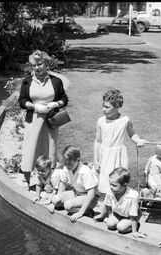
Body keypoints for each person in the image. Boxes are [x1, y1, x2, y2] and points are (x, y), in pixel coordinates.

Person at [18, 50, 69, 186]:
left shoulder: (56, 81)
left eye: (39, 64)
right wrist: (35, 107)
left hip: (50, 120)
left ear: (46, 64)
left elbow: (64, 98)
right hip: (33, 119)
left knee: (50, 147)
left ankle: (48, 179)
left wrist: (56, 103)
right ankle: (27, 177)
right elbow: (22, 101)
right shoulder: (27, 82)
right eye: (34, 65)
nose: (37, 68)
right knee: (31, 146)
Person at [93, 88, 147, 195]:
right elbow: (98, 141)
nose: (104, 109)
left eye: (107, 107)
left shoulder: (125, 120)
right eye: (103, 106)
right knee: (105, 180)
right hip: (104, 154)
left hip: (118, 156)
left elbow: (132, 133)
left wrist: (138, 140)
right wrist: (96, 160)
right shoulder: (101, 121)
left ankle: (119, 203)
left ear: (117, 107)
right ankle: (108, 204)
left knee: (118, 180)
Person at [51, 145, 99, 222]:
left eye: (70, 163)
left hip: (89, 197)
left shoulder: (85, 171)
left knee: (67, 206)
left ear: (78, 160)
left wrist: (80, 212)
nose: (67, 166)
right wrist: (56, 204)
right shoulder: (67, 168)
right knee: (55, 199)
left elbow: (91, 194)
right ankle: (74, 207)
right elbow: (63, 184)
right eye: (65, 163)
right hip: (76, 193)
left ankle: (88, 212)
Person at [93, 167, 140, 234]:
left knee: (121, 228)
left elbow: (133, 215)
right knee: (110, 225)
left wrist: (134, 231)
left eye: (114, 185)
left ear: (124, 185)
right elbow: (107, 206)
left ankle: (135, 225)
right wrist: (102, 215)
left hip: (129, 217)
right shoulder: (110, 192)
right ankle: (120, 222)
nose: (111, 187)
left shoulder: (132, 196)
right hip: (117, 214)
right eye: (110, 184)